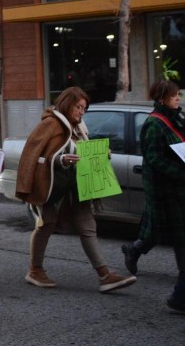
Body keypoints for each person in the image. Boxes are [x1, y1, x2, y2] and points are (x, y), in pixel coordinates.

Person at [16, 86, 136, 293]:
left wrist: (99, 154)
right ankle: (35, 270)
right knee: (46, 225)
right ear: (67, 103)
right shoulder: (51, 124)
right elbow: (33, 157)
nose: (81, 112)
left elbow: (81, 151)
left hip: (76, 187)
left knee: (87, 226)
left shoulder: (79, 127)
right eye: (78, 107)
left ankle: (105, 275)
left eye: (84, 108)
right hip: (52, 188)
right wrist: (60, 160)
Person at [121, 80, 185, 312]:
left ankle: (134, 249)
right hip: (165, 190)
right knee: (174, 234)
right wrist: (180, 172)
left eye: (178, 94)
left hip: (177, 189)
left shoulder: (175, 118)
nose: (177, 98)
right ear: (161, 98)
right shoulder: (153, 124)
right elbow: (153, 158)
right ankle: (181, 292)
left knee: (168, 233)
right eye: (174, 95)